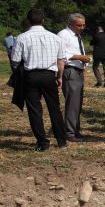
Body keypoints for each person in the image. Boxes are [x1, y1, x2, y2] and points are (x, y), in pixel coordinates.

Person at [11, 9, 68, 151]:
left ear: (28, 21)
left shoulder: (21, 37)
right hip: (49, 76)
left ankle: (42, 142)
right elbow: (61, 60)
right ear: (43, 20)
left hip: (31, 76)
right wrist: (59, 77)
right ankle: (61, 140)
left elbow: (15, 61)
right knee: (55, 108)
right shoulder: (55, 37)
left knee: (34, 110)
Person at [57, 13, 90, 142]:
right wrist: (78, 57)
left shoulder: (77, 35)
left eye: (83, 25)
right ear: (70, 24)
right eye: (79, 25)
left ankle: (75, 130)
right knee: (72, 103)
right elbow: (61, 54)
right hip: (70, 71)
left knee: (77, 103)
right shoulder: (63, 35)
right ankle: (69, 132)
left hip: (78, 71)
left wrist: (83, 61)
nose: (82, 27)